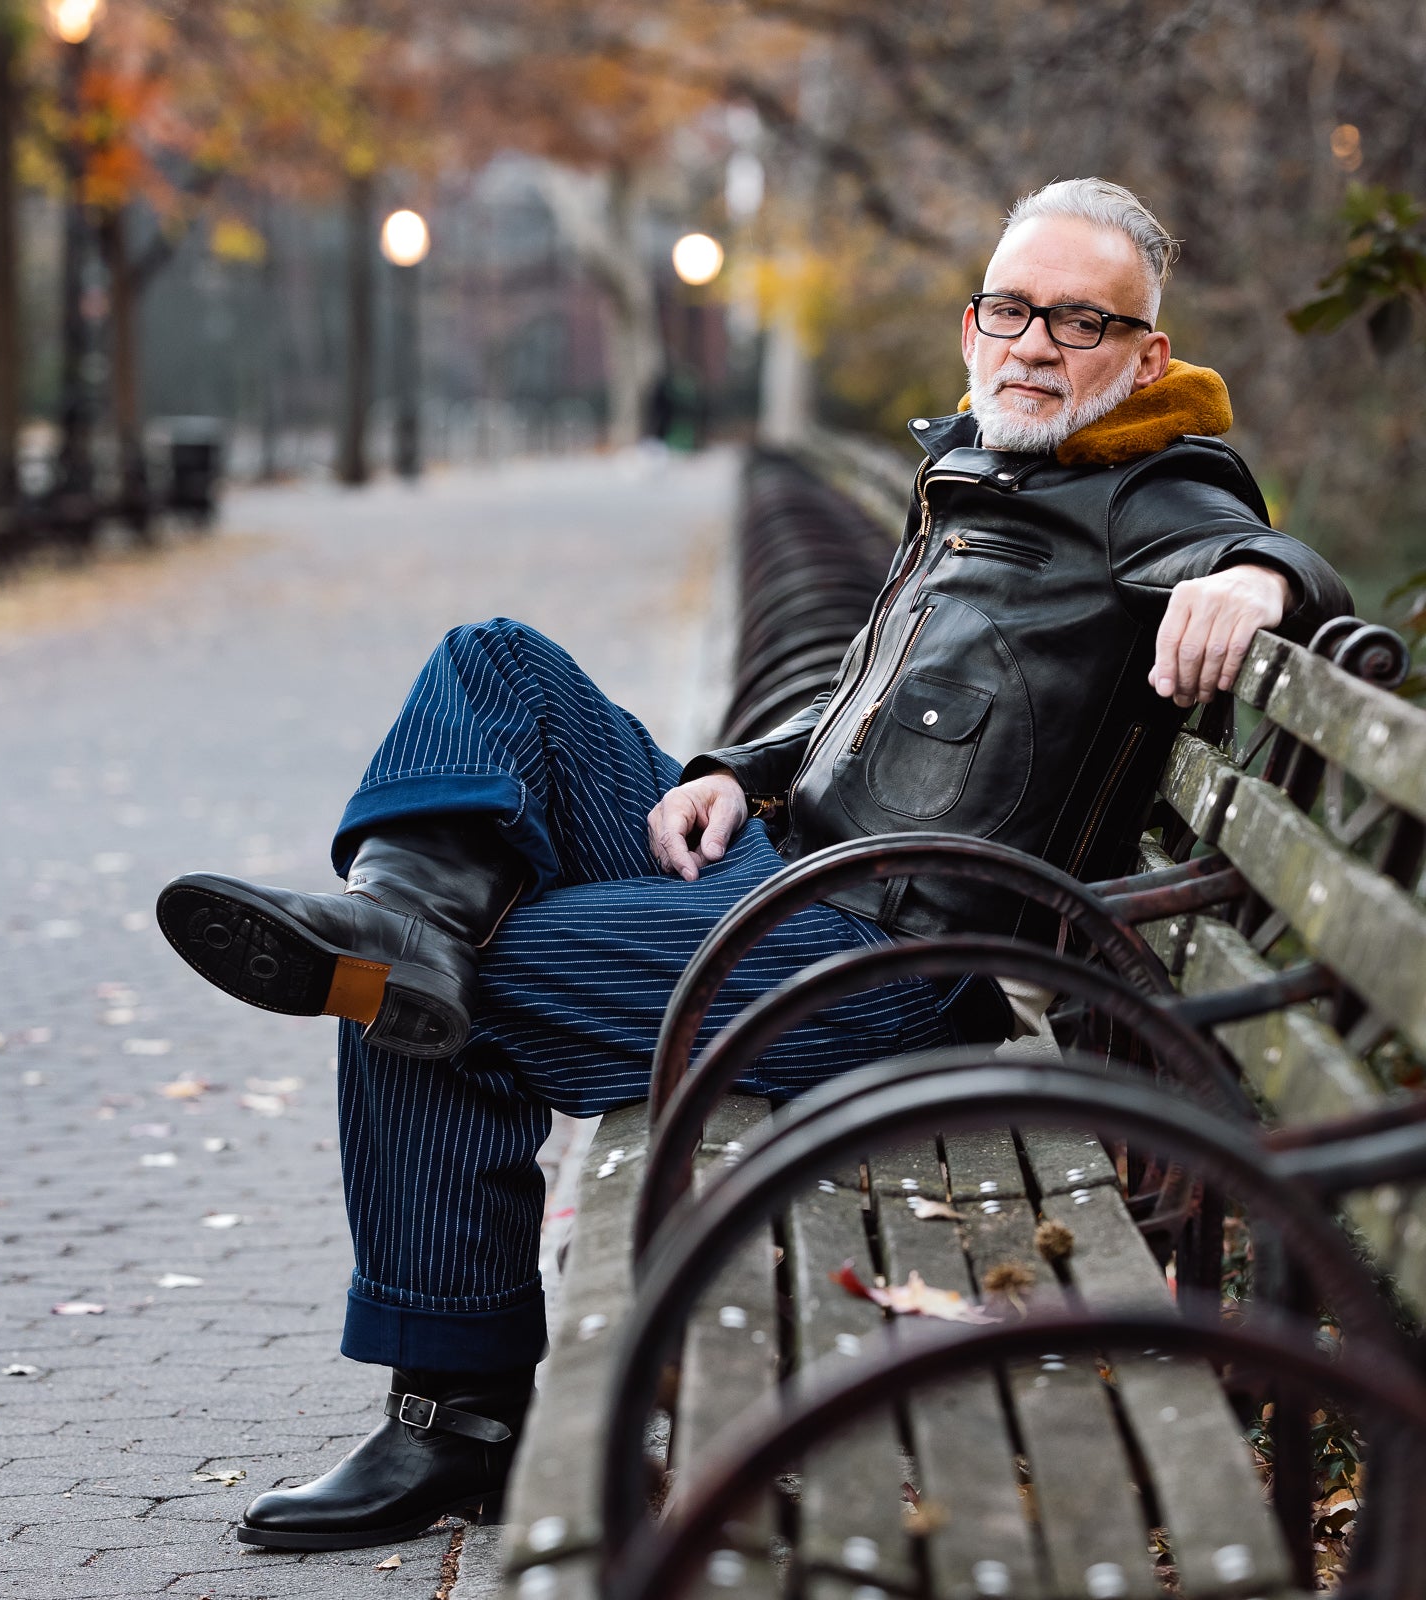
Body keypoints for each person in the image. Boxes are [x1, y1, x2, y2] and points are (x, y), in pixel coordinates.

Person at [155, 178, 1350, 1552]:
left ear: (1144, 353)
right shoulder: (988, 468)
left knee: (422, 992)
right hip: (789, 865)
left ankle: (456, 1418)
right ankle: (405, 909)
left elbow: (1257, 543)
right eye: (1011, 310)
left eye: (1080, 321)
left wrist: (1257, 581)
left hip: (892, 957)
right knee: (497, 668)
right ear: (971, 324)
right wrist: (741, 769)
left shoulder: (1147, 482)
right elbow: (870, 698)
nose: (1034, 344)